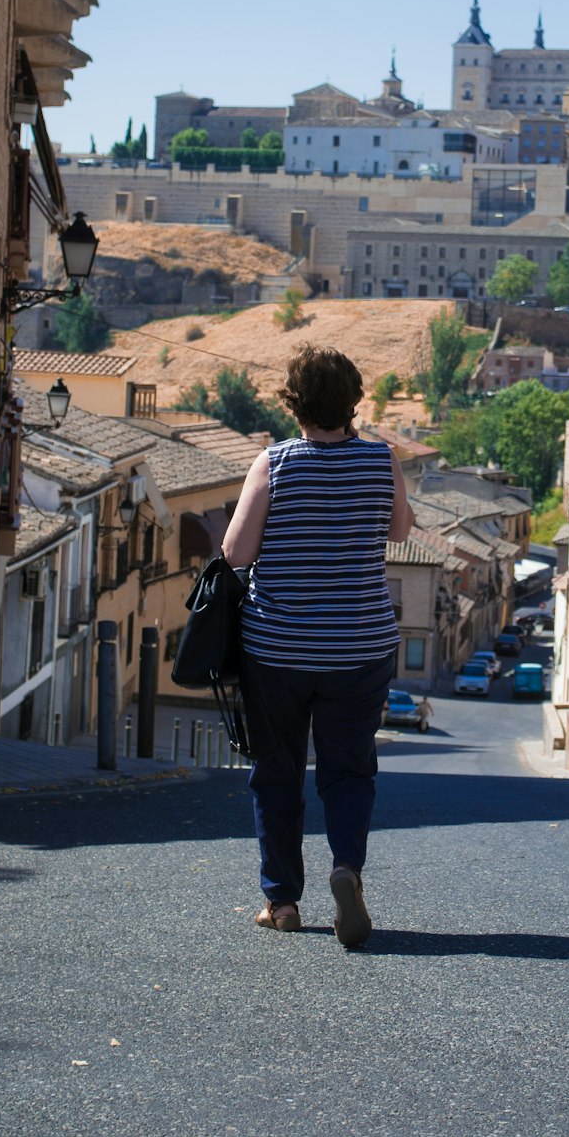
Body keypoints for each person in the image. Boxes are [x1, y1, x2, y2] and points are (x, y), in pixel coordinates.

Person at [222, 342, 414, 948]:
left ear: (294, 403)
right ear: (353, 402)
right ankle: (346, 870)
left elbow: (235, 554)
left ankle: (280, 901)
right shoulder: (382, 461)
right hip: (360, 644)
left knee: (276, 770)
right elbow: (401, 531)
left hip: (276, 647)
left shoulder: (273, 463)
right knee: (350, 767)